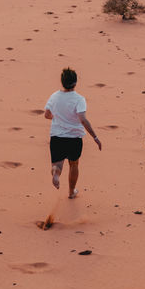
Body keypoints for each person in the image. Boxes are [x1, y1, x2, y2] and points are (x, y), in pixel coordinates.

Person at [44, 67, 101, 197]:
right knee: (74, 164)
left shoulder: (54, 96)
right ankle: (71, 192)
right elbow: (83, 120)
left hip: (57, 137)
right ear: (75, 83)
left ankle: (56, 174)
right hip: (74, 138)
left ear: (62, 82)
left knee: (57, 165)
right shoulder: (79, 99)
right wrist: (95, 137)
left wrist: (57, 117)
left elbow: (47, 115)